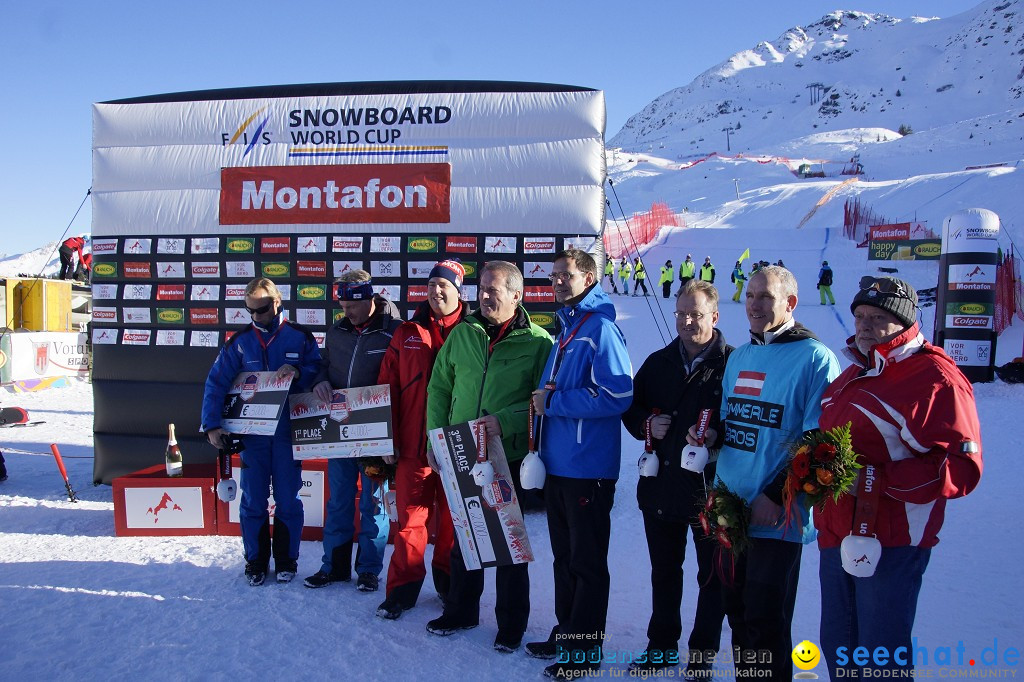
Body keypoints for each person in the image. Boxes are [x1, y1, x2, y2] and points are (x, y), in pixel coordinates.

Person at [816, 276, 982, 679]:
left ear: (904, 323)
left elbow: (960, 468)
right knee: (840, 648)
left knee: (880, 658)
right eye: (859, 316)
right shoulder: (855, 371)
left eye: (878, 317)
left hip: (892, 543)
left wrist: (875, 480)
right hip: (837, 534)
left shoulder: (933, 378)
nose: (865, 325)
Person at [708, 265, 840, 679]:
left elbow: (820, 443)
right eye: (750, 296)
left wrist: (776, 493)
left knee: (766, 621)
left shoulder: (815, 357)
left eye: (765, 297)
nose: (754, 305)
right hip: (731, 507)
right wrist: (710, 435)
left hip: (776, 514)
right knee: (737, 614)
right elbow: (734, 422)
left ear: (790, 303)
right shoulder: (741, 356)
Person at [424, 261, 553, 653]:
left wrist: (506, 421)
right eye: (481, 288)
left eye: (493, 290)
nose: (483, 296)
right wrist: (435, 437)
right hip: (462, 449)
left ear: (517, 295)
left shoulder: (538, 342)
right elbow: (439, 388)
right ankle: (461, 610)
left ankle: (511, 625)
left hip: (507, 454)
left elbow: (543, 402)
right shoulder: (464, 333)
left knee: (509, 544)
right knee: (468, 537)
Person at [527, 248, 633, 679]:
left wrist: (553, 401)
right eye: (552, 275)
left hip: (588, 468)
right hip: (559, 464)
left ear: (588, 279)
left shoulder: (602, 328)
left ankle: (584, 650)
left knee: (586, 562)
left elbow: (618, 395)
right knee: (563, 558)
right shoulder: (567, 328)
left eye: (565, 275)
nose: (556, 281)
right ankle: (567, 631)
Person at [621, 279, 731, 676]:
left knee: (712, 577)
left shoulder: (732, 364)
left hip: (710, 494)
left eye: (695, 314)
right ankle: (661, 645)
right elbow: (630, 411)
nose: (686, 322)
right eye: (681, 313)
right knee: (664, 571)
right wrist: (649, 424)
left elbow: (744, 425)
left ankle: (702, 654)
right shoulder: (658, 362)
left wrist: (719, 435)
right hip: (661, 487)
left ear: (714, 316)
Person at [201, 277, 321, 586]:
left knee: (288, 499)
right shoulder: (239, 342)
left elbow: (320, 372)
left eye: (263, 309)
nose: (256, 316)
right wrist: (212, 424)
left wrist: (300, 372)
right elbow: (216, 382)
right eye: (250, 310)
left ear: (277, 302)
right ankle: (255, 561)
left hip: (287, 433)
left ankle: (286, 560)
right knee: (253, 499)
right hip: (252, 436)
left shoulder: (300, 337)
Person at [375, 260, 467, 620]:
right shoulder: (407, 332)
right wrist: (387, 439)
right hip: (413, 447)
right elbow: (387, 387)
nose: (436, 291)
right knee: (410, 522)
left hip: (457, 445)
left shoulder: (474, 332)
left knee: (452, 521)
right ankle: (402, 589)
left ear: (459, 291)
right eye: (431, 284)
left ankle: (447, 584)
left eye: (444, 285)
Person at [304, 270, 400, 593]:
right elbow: (323, 364)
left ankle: (369, 569)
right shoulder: (336, 332)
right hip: (340, 431)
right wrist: (320, 381)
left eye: (353, 305)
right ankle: (333, 566)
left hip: (375, 432)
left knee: (373, 503)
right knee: (339, 500)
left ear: (369, 299)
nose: (347, 311)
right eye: (343, 305)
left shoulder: (394, 332)